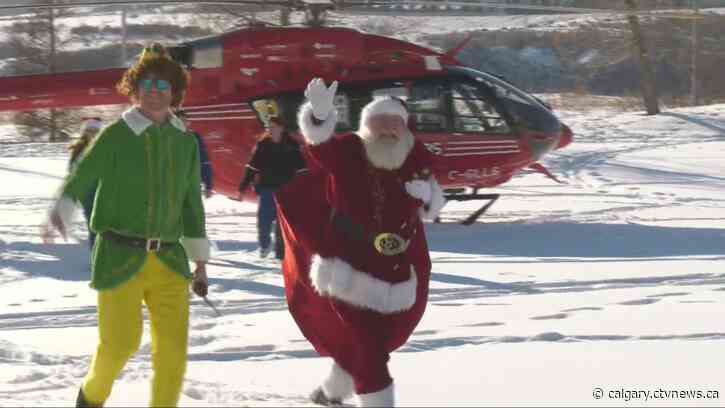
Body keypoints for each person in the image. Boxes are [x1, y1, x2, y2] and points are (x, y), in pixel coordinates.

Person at [43, 43, 210, 408]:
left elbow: (191, 204)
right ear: (135, 90)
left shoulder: (185, 142)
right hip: (120, 257)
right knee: (121, 343)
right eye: (147, 83)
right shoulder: (117, 135)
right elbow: (85, 173)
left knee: (173, 352)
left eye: (163, 85)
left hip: (169, 260)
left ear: (175, 93)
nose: (154, 91)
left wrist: (199, 261)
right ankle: (90, 399)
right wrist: (63, 207)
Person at [275, 78, 446, 407]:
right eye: (379, 122)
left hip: (396, 273)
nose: (387, 129)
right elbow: (320, 147)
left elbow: (430, 205)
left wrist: (426, 198)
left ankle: (331, 392)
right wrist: (321, 116)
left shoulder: (415, 158)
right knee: (368, 345)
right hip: (346, 268)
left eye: (394, 122)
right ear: (367, 126)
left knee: (371, 343)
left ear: (405, 128)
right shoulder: (348, 151)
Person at [238, 116, 306, 260]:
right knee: (264, 220)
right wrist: (242, 188)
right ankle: (265, 245)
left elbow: (301, 168)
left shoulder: (292, 145)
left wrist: (304, 188)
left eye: (274, 126)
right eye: (269, 127)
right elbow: (252, 167)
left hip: (286, 189)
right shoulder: (263, 144)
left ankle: (281, 253)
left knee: (282, 223)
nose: (270, 129)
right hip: (267, 188)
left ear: (281, 128)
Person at [67, 117, 103, 249]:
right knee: (94, 223)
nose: (93, 133)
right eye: (90, 130)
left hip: (104, 189)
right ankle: (96, 255)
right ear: (84, 132)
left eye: (95, 130)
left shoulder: (106, 145)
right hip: (88, 191)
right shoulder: (79, 148)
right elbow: (72, 170)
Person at [177, 110, 214, 198]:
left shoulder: (194, 137)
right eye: (180, 120)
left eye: (185, 120)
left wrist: (208, 185)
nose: (183, 123)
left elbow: (204, 161)